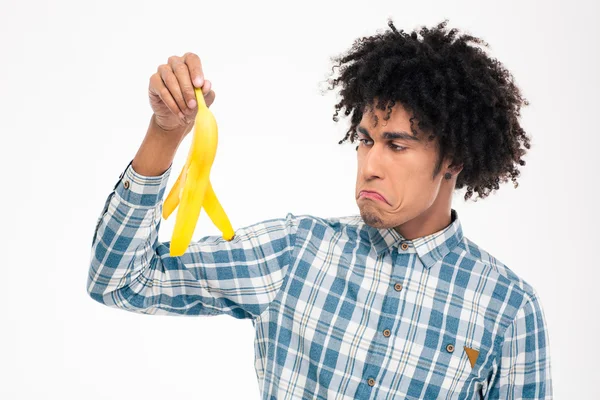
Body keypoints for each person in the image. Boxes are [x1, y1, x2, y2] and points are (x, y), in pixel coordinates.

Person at [87, 19, 552, 399]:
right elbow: (121, 281)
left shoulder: (508, 310)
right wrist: (165, 133)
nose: (369, 164)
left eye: (397, 145)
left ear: (453, 159)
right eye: (366, 140)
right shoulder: (296, 251)